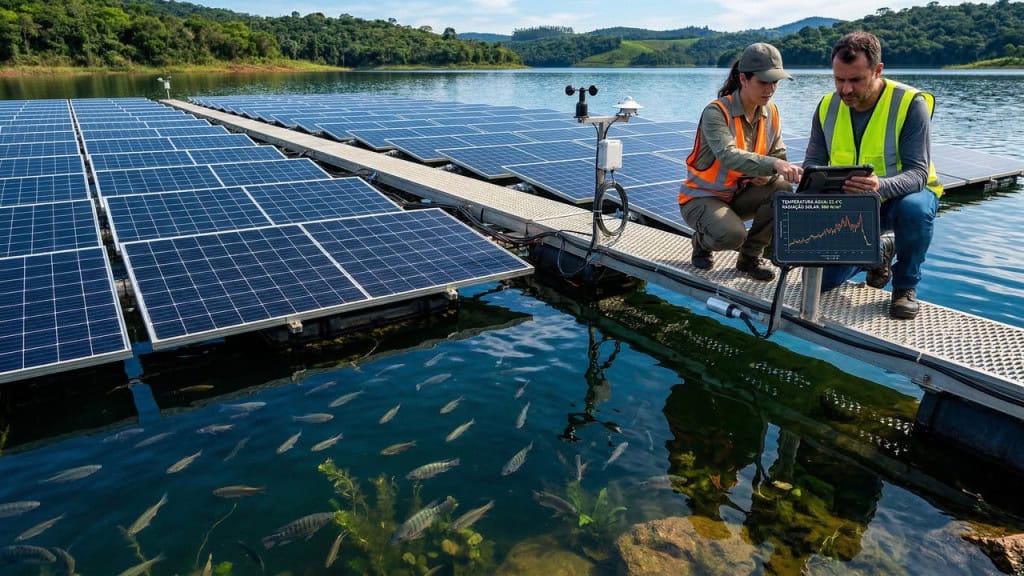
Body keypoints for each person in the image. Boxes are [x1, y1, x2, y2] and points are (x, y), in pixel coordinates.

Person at [804, 31, 943, 319]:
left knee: (915, 209)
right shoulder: (827, 107)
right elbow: (813, 163)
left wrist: (879, 186)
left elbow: (918, 173)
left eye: (855, 80)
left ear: (878, 71)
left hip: (899, 200)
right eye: (839, 79)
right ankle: (879, 252)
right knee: (818, 283)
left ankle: (905, 286)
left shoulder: (909, 103)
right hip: (851, 207)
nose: (845, 90)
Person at [681, 42, 804, 282]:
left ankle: (749, 259)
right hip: (701, 199)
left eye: (775, 82)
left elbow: (778, 156)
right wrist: (774, 166)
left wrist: (770, 174)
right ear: (743, 79)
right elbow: (728, 155)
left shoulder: (772, 112)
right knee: (732, 236)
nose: (770, 89)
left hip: (738, 196)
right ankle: (701, 241)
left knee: (782, 189)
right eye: (763, 81)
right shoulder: (716, 112)